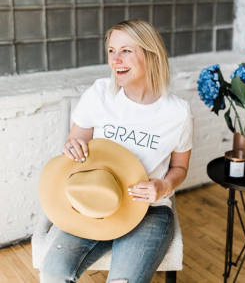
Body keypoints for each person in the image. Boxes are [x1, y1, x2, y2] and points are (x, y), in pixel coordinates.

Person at [39, 19, 194, 283]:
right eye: (111, 51)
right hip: (95, 203)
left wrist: (165, 185)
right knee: (53, 272)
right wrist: (72, 146)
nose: (115, 59)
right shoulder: (99, 94)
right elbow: (75, 141)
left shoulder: (178, 113)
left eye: (126, 51)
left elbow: (180, 167)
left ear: (150, 54)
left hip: (149, 211)